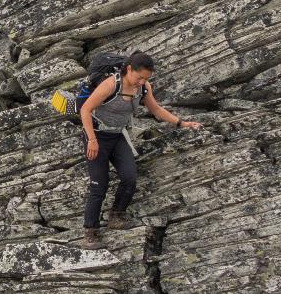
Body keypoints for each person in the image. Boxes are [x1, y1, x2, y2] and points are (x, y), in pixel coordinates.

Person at [77, 50, 202, 250]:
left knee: (129, 177)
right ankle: (90, 233)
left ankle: (116, 216)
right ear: (129, 70)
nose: (142, 82)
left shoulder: (144, 88)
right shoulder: (111, 84)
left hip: (117, 136)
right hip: (97, 136)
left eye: (146, 78)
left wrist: (182, 123)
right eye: (139, 77)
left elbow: (156, 110)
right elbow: (85, 110)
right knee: (99, 186)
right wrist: (91, 139)